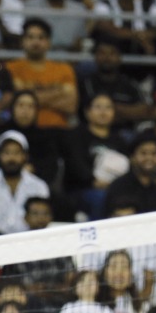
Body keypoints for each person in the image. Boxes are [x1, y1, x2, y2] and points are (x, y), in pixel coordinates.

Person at [63, 93, 128, 221]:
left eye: (108, 107)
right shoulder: (76, 135)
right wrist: (93, 181)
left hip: (114, 188)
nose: (103, 112)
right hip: (82, 189)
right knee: (100, 197)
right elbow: (75, 165)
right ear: (87, 112)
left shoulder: (119, 140)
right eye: (98, 107)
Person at [0, 130, 50, 235]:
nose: (11, 158)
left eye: (16, 153)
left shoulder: (39, 186)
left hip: (29, 241)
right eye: (6, 153)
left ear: (25, 156)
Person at [6, 18, 77, 130]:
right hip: (20, 131)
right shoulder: (10, 68)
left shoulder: (65, 69)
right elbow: (10, 101)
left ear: (49, 42)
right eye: (30, 37)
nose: (36, 42)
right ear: (22, 42)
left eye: (41, 37)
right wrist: (58, 92)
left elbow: (70, 106)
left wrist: (28, 97)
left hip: (57, 131)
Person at [103, 134, 156, 217]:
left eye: (154, 154)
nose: (149, 158)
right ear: (132, 157)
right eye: (143, 153)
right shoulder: (119, 187)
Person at [26, 0, 91, 51]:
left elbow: (79, 42)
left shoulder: (79, 9)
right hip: (37, 54)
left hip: (67, 57)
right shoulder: (30, 6)